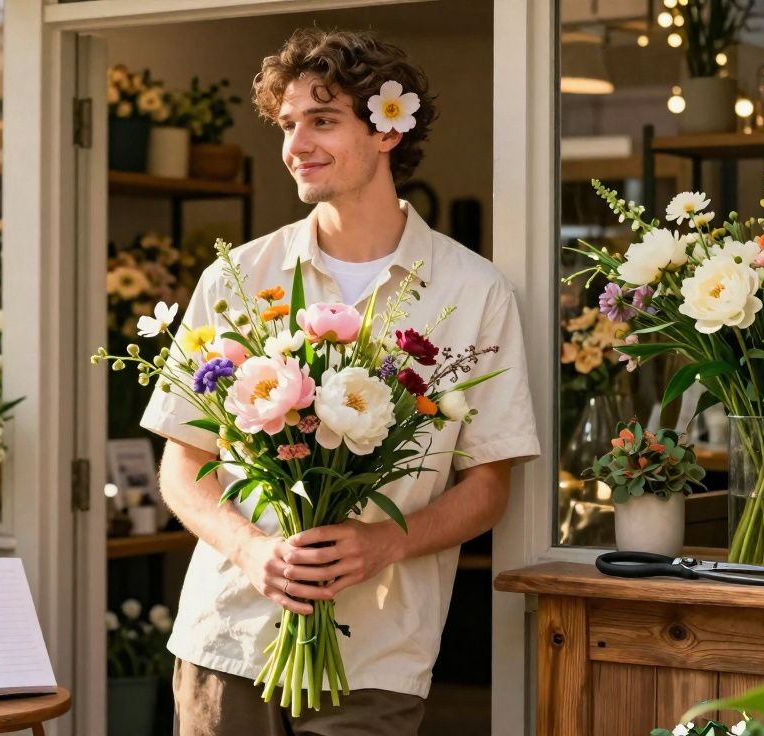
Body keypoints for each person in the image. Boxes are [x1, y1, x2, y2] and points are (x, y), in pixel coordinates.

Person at [139, 27, 540, 736]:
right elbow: (182, 463)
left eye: (322, 120)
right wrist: (251, 548)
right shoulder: (239, 279)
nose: (297, 144)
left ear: (389, 127)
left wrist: (385, 543)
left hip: (379, 654)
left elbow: (488, 488)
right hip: (228, 634)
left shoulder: (474, 291)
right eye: (289, 124)